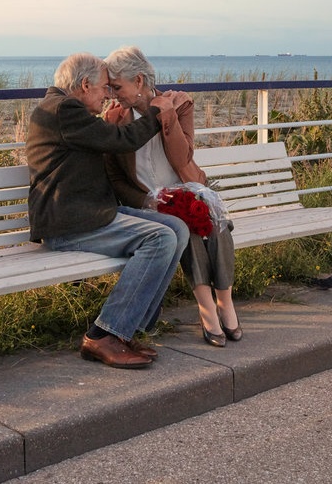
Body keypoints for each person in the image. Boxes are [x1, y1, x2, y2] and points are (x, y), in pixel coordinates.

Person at [26, 52, 190, 369]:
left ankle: (125, 331)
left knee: (178, 229)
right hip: (70, 224)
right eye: (104, 88)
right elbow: (120, 140)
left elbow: (98, 140)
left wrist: (106, 126)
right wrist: (156, 115)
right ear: (85, 84)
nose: (108, 96)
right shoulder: (63, 109)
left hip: (89, 214)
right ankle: (104, 333)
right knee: (160, 239)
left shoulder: (64, 111)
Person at [104, 45, 243, 347]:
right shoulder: (115, 119)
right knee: (186, 227)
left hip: (188, 187)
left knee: (216, 223)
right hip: (148, 202)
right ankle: (207, 309)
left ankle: (225, 302)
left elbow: (182, 159)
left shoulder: (180, 105)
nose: (113, 94)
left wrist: (166, 116)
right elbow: (115, 178)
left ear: (138, 81)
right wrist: (145, 201)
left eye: (117, 86)